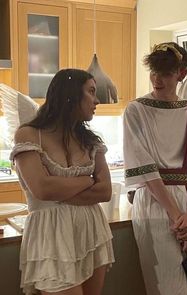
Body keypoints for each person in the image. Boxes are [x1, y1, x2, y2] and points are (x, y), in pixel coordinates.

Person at [123, 42, 187, 295]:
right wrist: (178, 217)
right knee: (168, 285)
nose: (157, 79)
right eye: (154, 72)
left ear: (181, 73)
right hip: (155, 203)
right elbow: (146, 170)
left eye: (165, 73)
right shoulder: (136, 110)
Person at [10, 68, 115, 295]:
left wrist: (61, 190)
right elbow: (42, 188)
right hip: (52, 234)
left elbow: (105, 191)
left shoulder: (89, 140)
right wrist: (87, 180)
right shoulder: (29, 135)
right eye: (91, 91)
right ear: (70, 95)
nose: (97, 100)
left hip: (91, 230)